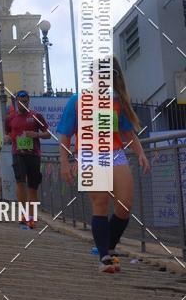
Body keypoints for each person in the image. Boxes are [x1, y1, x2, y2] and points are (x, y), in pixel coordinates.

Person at [58, 55, 150, 273]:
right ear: (92, 75)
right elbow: (65, 135)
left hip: (115, 154)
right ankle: (104, 257)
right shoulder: (77, 101)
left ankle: (107, 245)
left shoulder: (117, 102)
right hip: (89, 155)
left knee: (125, 204)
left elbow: (127, 133)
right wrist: (64, 162)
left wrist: (140, 153)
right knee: (100, 203)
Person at [5, 90, 50, 228]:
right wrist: (7, 138)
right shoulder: (10, 118)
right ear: (16, 102)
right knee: (20, 183)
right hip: (18, 153)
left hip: (33, 154)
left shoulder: (36, 116)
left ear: (29, 101)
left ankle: (32, 217)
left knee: (33, 187)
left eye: (25, 101)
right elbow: (8, 133)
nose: (23, 104)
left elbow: (48, 134)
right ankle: (23, 214)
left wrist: (36, 135)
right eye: (20, 102)